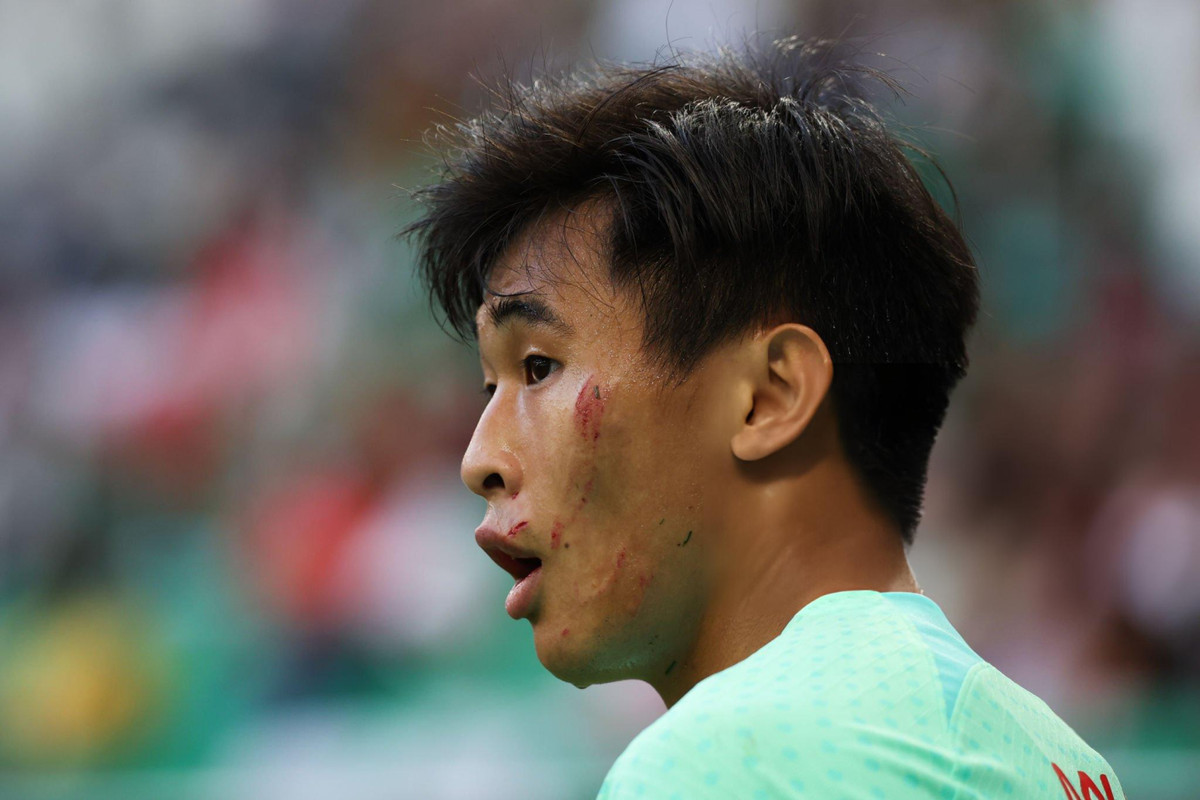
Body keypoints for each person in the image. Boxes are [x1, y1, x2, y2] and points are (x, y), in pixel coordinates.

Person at [405, 37, 1125, 800]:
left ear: (770, 395)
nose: (479, 460)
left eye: (538, 367)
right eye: (489, 386)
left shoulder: (717, 761)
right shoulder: (1072, 766)